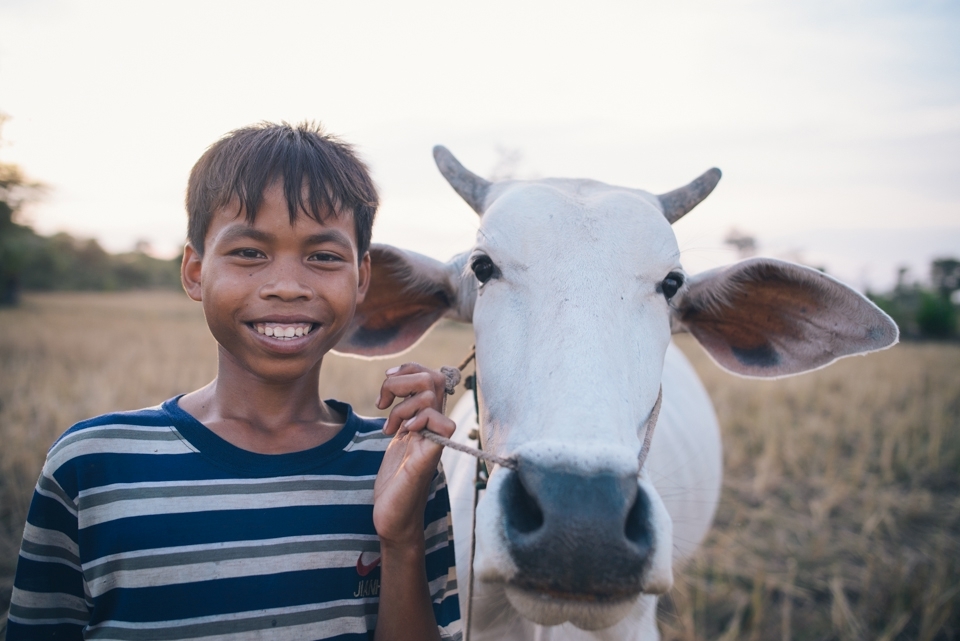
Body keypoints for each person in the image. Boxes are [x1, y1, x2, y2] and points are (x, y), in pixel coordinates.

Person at [6, 122, 461, 640]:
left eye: (323, 257)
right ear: (195, 271)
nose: (287, 287)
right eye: (249, 252)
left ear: (362, 279)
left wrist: (399, 541)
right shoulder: (93, 465)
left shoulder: (398, 464)